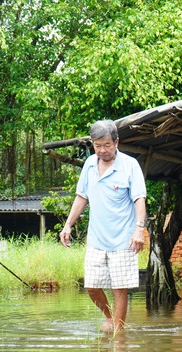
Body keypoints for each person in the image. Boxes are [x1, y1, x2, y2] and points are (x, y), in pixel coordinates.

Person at [60, 119, 147, 332]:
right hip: (97, 239)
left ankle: (119, 335)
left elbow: (139, 199)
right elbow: (82, 196)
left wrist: (139, 229)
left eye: (107, 145)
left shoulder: (129, 165)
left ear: (116, 142)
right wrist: (68, 225)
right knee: (91, 286)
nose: (103, 150)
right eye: (98, 146)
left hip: (123, 240)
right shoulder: (90, 164)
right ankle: (110, 317)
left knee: (119, 289)